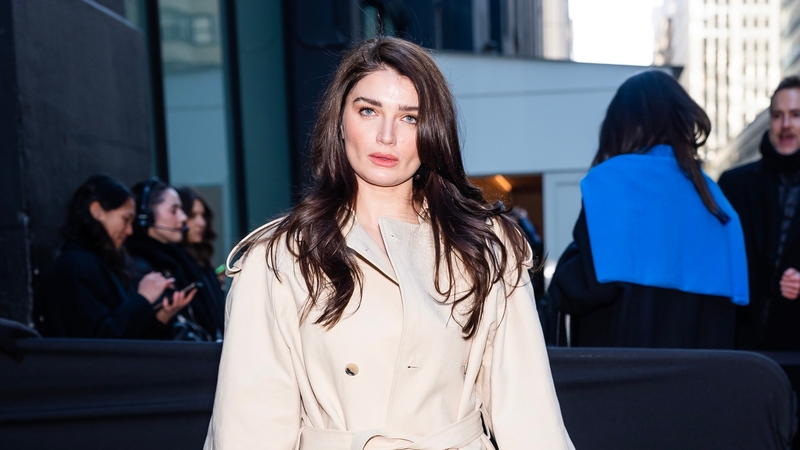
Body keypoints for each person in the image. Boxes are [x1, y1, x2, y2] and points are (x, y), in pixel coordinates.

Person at [204, 37, 574, 449]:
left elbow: (529, 412)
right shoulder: (279, 257)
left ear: (434, 130)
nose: (386, 135)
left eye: (410, 118)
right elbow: (250, 428)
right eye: (368, 110)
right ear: (340, 121)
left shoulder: (485, 248)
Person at [548, 70, 748, 349]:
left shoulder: (611, 183)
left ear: (621, 123)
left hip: (622, 380)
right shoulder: (715, 201)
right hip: (700, 383)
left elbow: (583, 289)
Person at [47, 175, 195, 339]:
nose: (129, 230)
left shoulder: (106, 261)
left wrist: (162, 317)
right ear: (97, 211)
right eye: (125, 219)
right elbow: (98, 340)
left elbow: (130, 336)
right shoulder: (76, 265)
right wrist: (143, 298)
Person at [718, 76, 800, 350]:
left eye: (796, 115)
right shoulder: (734, 184)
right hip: (741, 348)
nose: (785, 125)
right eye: (778, 115)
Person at [126, 178, 224, 341]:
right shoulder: (139, 265)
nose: (183, 218)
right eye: (174, 210)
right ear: (147, 215)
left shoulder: (178, 260)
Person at [176, 187, 226, 332]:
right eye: (192, 216)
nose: (201, 222)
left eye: (203, 215)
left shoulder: (202, 260)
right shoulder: (175, 264)